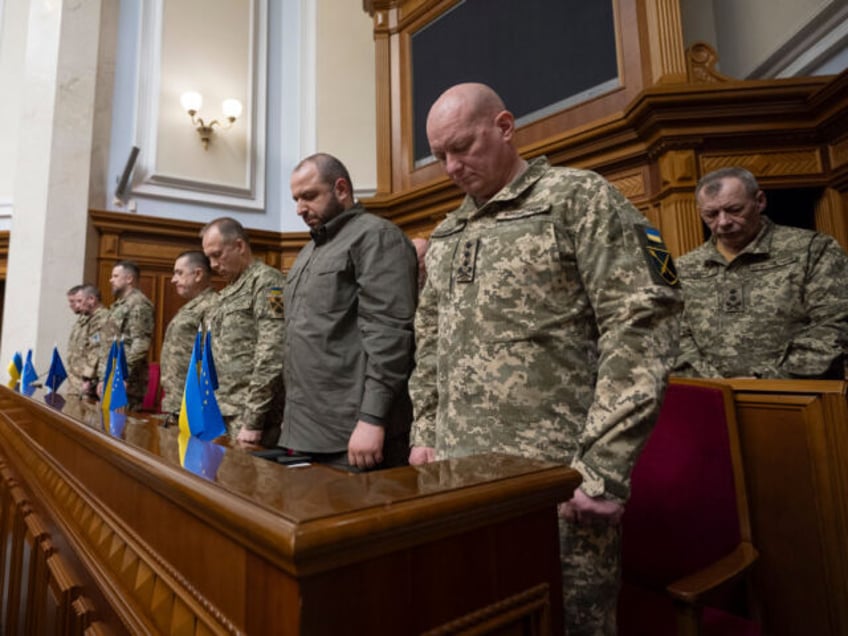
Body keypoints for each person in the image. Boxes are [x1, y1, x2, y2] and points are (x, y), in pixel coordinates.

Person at [408, 82, 682, 635]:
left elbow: (644, 321)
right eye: (440, 156)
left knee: (571, 621)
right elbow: (429, 339)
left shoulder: (579, 198)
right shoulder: (448, 231)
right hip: (460, 480)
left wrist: (603, 468)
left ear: (504, 127)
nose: (452, 167)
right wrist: (424, 429)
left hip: (559, 483)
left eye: (462, 147)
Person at [282, 153, 417, 470]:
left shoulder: (376, 236)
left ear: (341, 189)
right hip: (304, 430)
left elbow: (390, 333)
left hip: (354, 434)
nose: (300, 208)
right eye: (296, 199)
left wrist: (372, 417)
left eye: (309, 196)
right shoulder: (309, 251)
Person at [674, 167, 848, 379]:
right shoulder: (684, 267)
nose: (723, 222)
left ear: (760, 201)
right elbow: (673, 335)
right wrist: (717, 387)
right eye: (711, 214)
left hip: (801, 397)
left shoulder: (812, 250)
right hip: (713, 399)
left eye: (734, 209)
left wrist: (767, 380)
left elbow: (835, 324)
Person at [201, 217, 285, 446]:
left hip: (249, 416)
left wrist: (253, 419)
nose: (213, 265)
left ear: (239, 246)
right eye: (209, 258)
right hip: (222, 409)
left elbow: (272, 351)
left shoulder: (266, 282)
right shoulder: (229, 291)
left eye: (217, 255)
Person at [160, 251, 220, 413]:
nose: (173, 280)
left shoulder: (213, 306)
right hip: (176, 399)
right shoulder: (192, 306)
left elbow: (215, 358)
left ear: (198, 274)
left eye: (179, 273)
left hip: (194, 403)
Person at [98, 261, 154, 410]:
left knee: (123, 428)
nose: (111, 280)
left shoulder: (139, 304)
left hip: (127, 382)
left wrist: (120, 374)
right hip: (112, 377)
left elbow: (140, 344)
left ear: (129, 279)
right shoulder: (119, 304)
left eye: (115, 276)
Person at [76, 285, 111, 399]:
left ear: (91, 299)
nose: (78, 305)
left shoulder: (102, 318)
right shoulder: (92, 319)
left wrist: (87, 377)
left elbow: (97, 350)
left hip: (96, 379)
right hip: (91, 378)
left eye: (80, 301)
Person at [65, 285, 86, 395]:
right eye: (71, 301)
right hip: (74, 380)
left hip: (84, 381)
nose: (72, 305)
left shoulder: (95, 320)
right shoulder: (80, 321)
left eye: (75, 301)